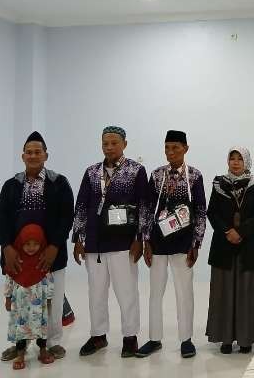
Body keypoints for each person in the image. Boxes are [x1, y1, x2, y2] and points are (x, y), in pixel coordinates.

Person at [0, 131, 74, 362]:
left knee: (52, 301)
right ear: (22, 156)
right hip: (19, 256)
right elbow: (1, 218)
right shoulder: (11, 185)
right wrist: (6, 247)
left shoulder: (59, 183)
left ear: (46, 155)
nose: (33, 155)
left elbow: (66, 217)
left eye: (37, 151)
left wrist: (54, 246)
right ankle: (20, 343)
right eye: (29, 152)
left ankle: (52, 343)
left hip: (51, 254)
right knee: (20, 303)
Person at [72, 126, 150, 358]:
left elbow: (144, 206)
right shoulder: (92, 172)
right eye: (105, 143)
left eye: (114, 143)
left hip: (124, 243)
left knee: (127, 292)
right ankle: (98, 335)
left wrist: (140, 239)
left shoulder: (136, 171)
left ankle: (130, 337)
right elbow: (82, 206)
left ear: (124, 144)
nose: (109, 147)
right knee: (96, 292)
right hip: (95, 243)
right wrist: (78, 238)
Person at [138, 130, 207, 359]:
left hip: (183, 243)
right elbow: (147, 208)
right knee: (155, 292)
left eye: (175, 148)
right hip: (157, 243)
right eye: (167, 148)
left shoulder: (194, 176)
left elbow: (200, 211)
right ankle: (154, 338)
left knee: (184, 292)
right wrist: (146, 240)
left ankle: (186, 340)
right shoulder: (157, 175)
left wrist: (196, 242)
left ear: (186, 148)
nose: (170, 152)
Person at [205, 147, 254, 354]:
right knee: (223, 292)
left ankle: (246, 338)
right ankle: (225, 338)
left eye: (240, 159)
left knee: (247, 292)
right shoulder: (219, 183)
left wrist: (240, 232)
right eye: (232, 158)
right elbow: (211, 212)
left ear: (246, 161)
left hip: (247, 245)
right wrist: (227, 231)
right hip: (223, 245)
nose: (236, 162)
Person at [4, 224, 55, 370]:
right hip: (21, 307)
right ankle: (20, 354)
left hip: (40, 308)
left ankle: (43, 350)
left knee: (41, 329)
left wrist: (49, 298)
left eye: (35, 244)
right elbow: (10, 280)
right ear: (21, 243)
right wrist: (8, 298)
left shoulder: (42, 261)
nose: (31, 247)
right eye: (27, 244)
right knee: (21, 330)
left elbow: (49, 280)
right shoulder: (16, 261)